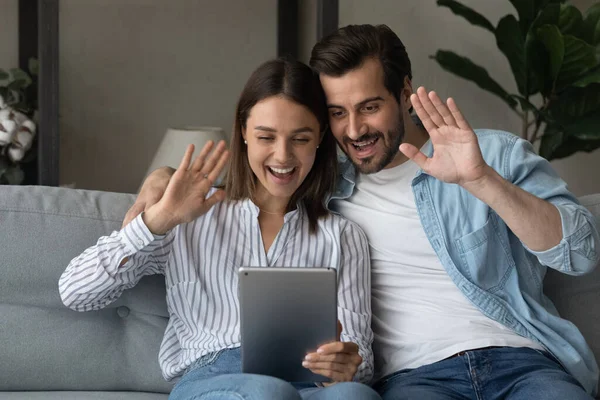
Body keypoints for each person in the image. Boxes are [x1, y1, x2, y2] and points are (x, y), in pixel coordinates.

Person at [135, 25, 600, 400]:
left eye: (369, 107)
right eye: (337, 113)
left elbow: (580, 253)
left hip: (523, 362)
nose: (354, 129)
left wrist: (481, 180)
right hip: (417, 379)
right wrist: (161, 176)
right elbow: (247, 186)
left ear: (405, 92)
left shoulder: (491, 154)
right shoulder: (323, 184)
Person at [59, 58, 381, 400]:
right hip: (213, 376)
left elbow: (360, 357)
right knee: (266, 392)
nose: (283, 156)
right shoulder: (188, 216)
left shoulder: (344, 237)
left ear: (319, 138)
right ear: (243, 132)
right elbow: (75, 293)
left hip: (306, 383)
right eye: (266, 137)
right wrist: (157, 220)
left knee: (356, 397)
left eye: (300, 139)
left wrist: (345, 367)